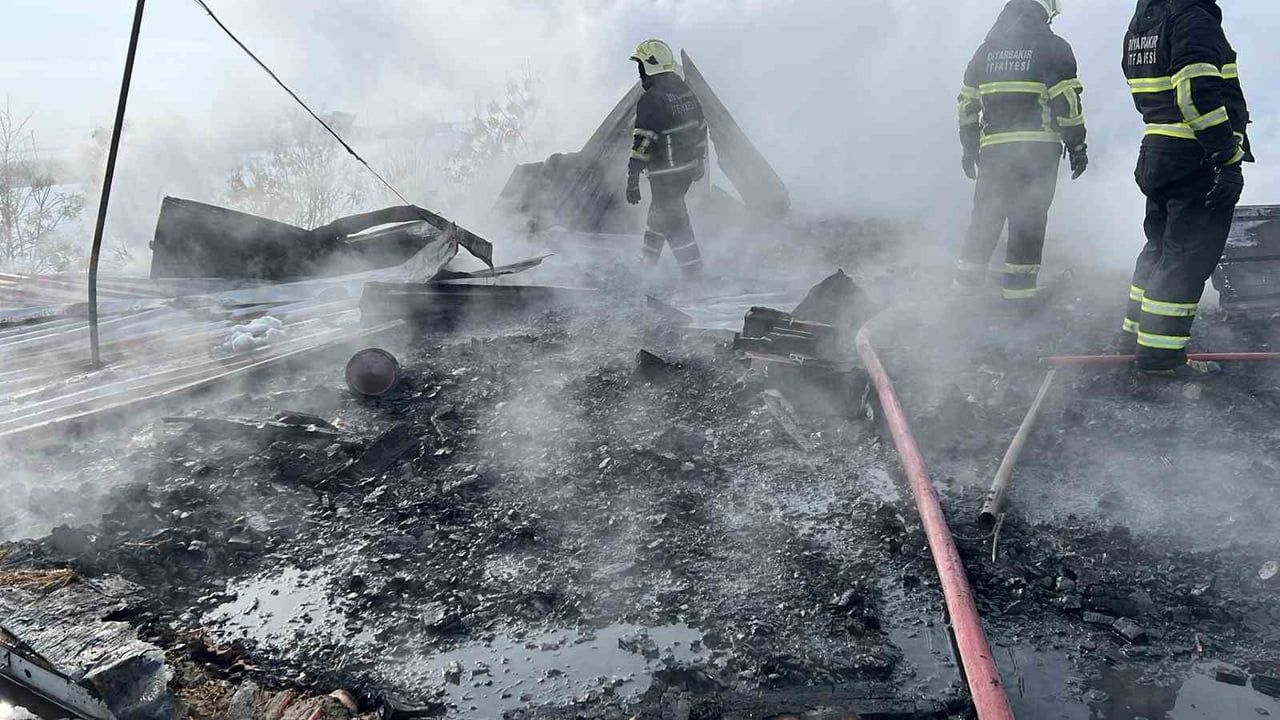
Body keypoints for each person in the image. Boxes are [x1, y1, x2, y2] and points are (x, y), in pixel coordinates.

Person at [1120, 0, 1251, 376]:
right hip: (1196, 154)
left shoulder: (1145, 22)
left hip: (1159, 150)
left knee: (1160, 248)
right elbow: (1194, 94)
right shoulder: (1192, 17)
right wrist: (1226, 158)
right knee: (1185, 259)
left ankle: (1135, 337)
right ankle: (1161, 359)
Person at [954, 0, 1088, 304]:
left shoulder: (985, 51)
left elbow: (966, 105)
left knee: (985, 219)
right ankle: (1018, 297)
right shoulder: (1052, 47)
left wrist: (968, 146)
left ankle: (963, 293)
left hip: (993, 153)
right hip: (1036, 154)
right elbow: (1066, 103)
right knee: (1028, 221)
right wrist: (1077, 145)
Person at [626, 39, 709, 289]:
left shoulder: (652, 99)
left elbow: (644, 142)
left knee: (675, 223)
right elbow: (701, 126)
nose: (639, 72)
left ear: (650, 66)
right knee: (659, 213)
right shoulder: (685, 90)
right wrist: (699, 160)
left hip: (666, 173)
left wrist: (632, 179)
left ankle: (694, 276)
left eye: (640, 65)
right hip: (686, 170)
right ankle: (647, 263)